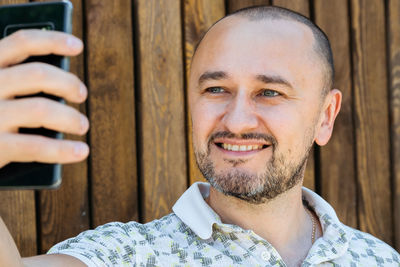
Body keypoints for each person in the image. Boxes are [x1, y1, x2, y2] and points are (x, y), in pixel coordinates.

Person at [0, 5, 399, 267]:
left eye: (270, 92)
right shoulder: (131, 254)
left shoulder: (380, 259)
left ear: (325, 117)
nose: (238, 120)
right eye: (215, 89)